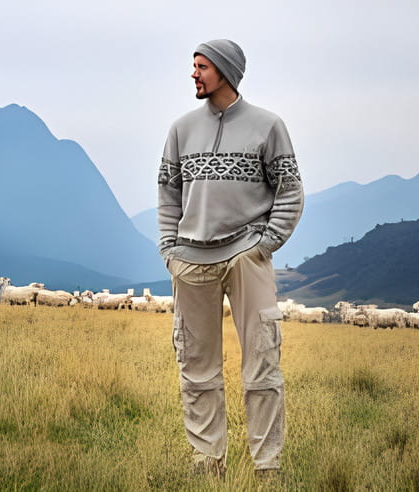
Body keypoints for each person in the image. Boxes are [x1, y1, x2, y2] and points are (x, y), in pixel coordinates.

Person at [157, 39, 304, 476]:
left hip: (246, 256)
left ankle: (267, 466)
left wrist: (266, 243)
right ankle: (207, 462)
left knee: (262, 364)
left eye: (202, 66)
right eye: (193, 65)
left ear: (225, 72)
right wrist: (170, 247)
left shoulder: (268, 125)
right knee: (196, 367)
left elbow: (290, 190)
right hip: (190, 261)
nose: (194, 74)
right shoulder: (181, 129)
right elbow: (168, 191)